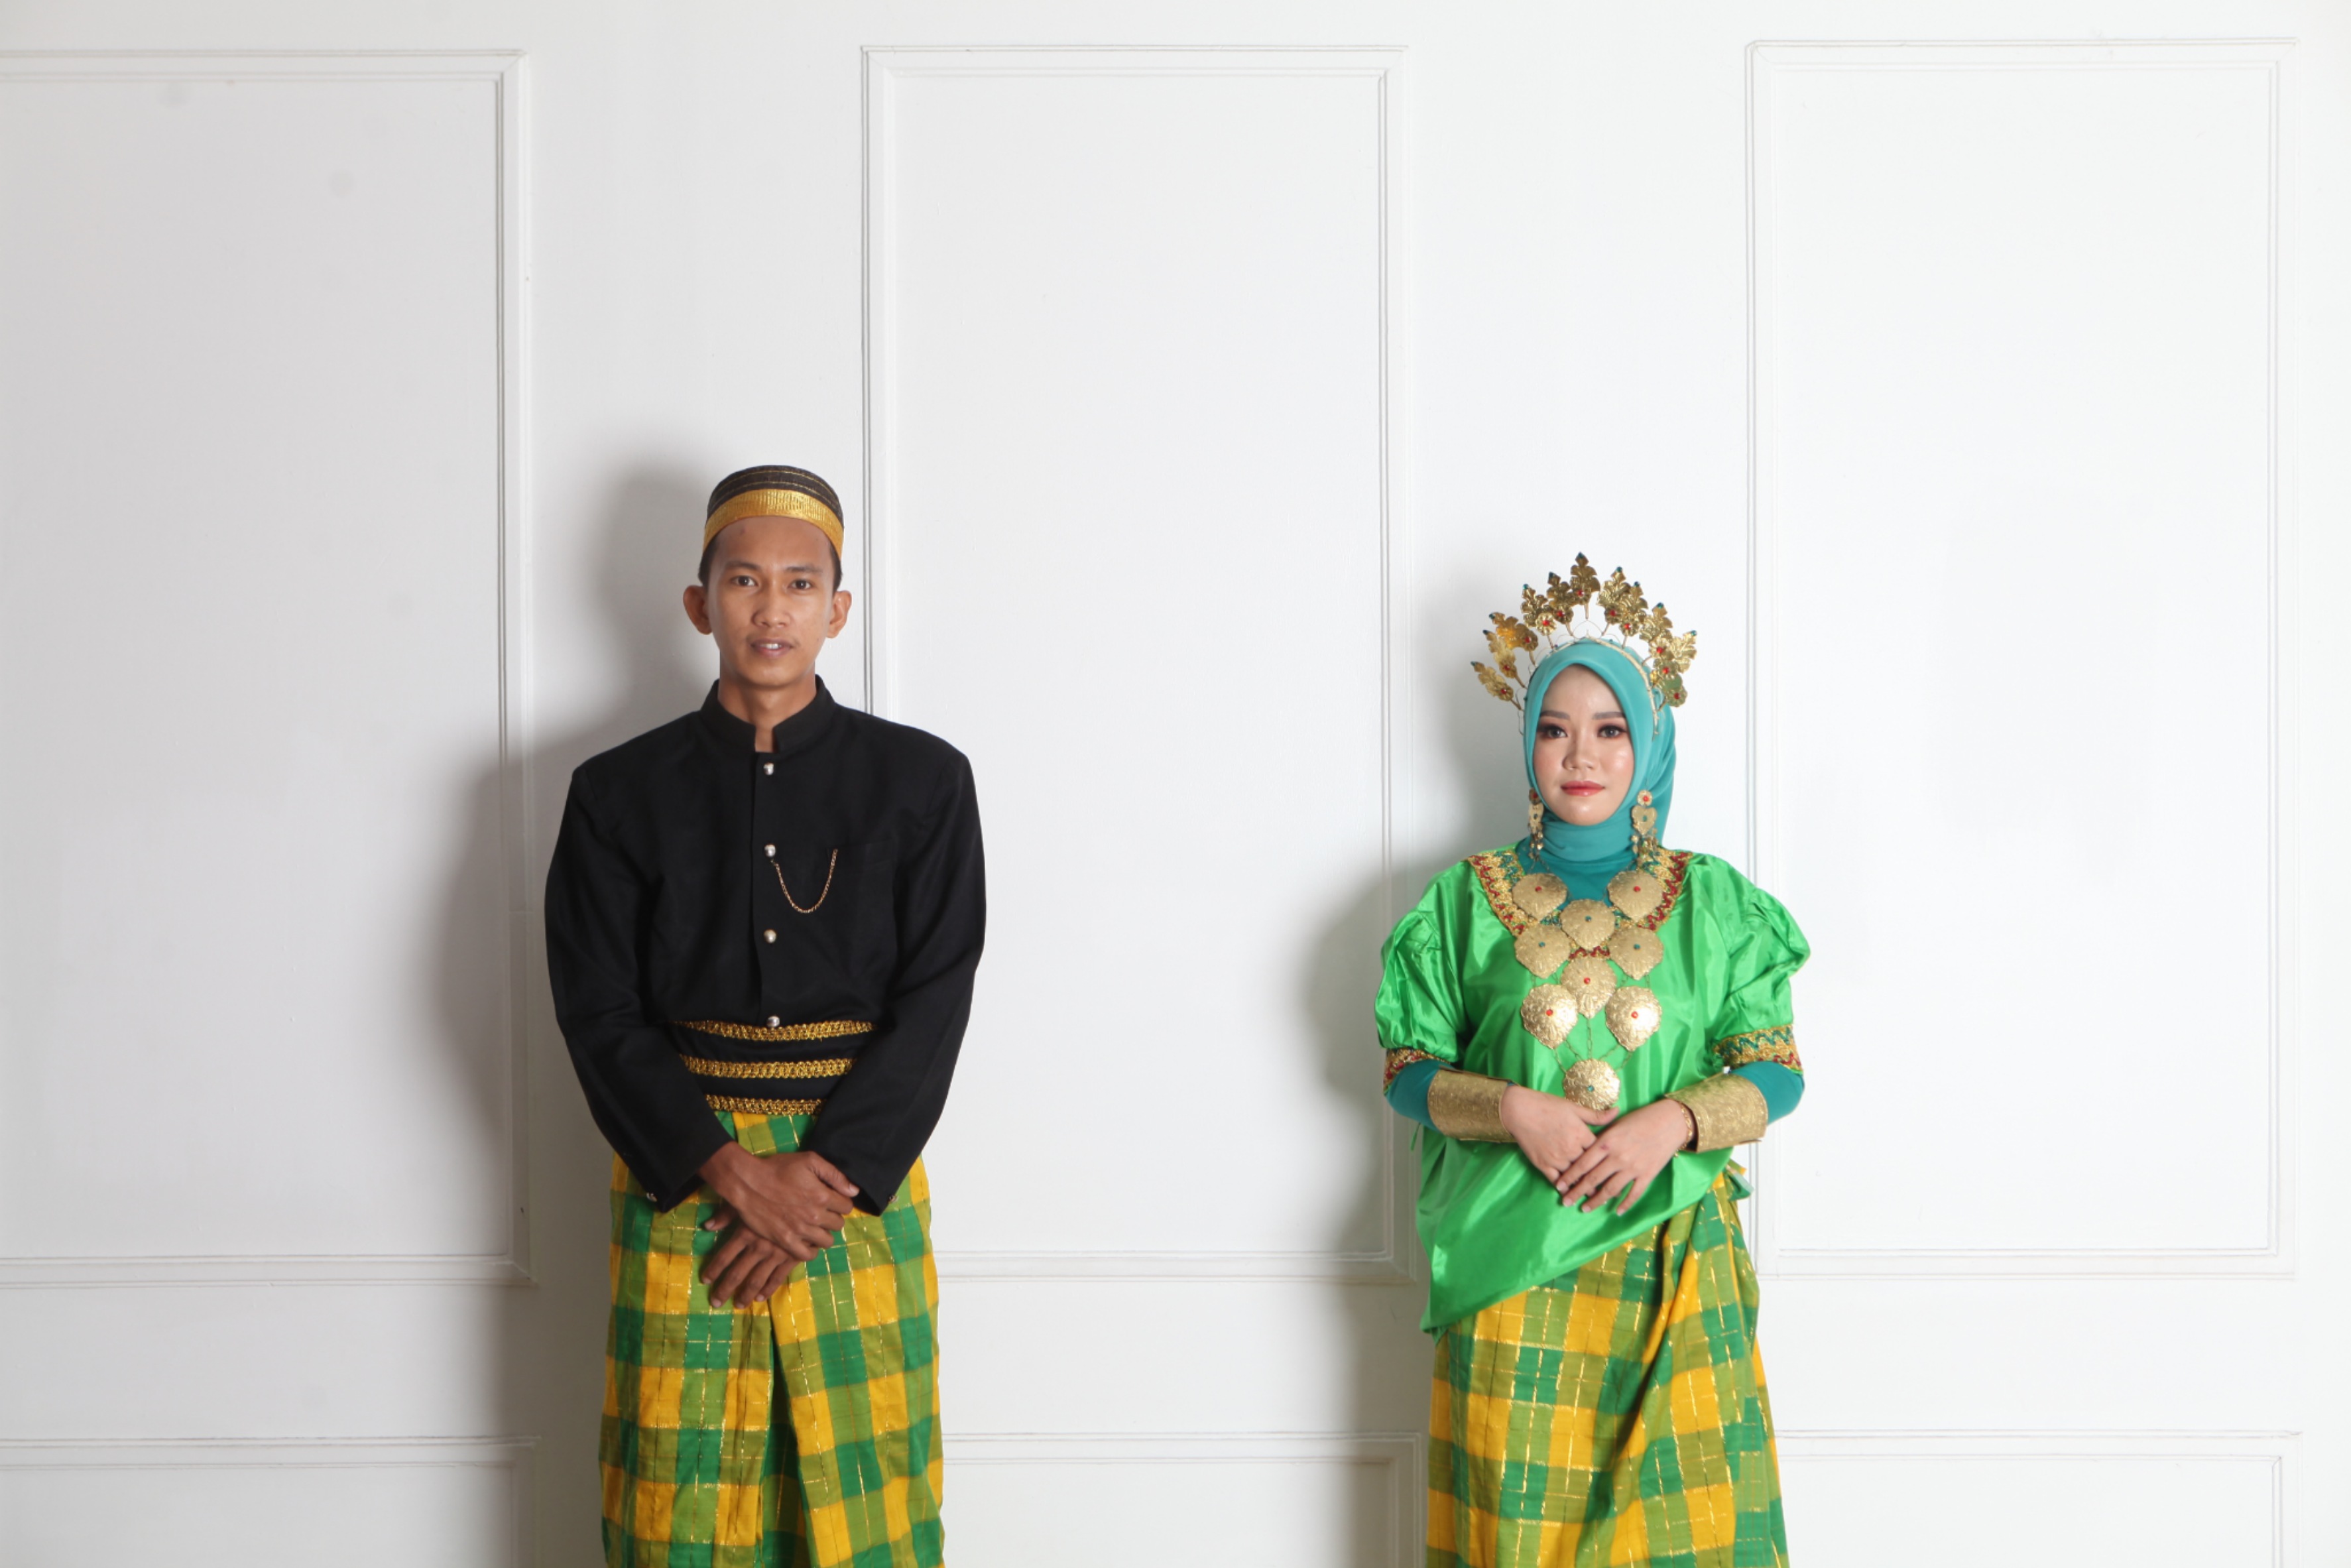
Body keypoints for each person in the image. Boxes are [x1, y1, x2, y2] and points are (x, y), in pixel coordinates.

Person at [544, 464, 984, 1568]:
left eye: (800, 582)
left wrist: (822, 1180)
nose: (771, 607)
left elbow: (937, 995)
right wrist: (731, 1172)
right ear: (700, 604)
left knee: (866, 1501)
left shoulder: (924, 782)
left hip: (857, 1187)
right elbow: (597, 1010)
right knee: (678, 1500)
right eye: (744, 580)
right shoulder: (616, 792)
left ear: (838, 608)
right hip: (686, 1181)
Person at [1378, 559, 1805, 1567]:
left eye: (1610, 729)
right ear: (1527, 743)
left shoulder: (1716, 903)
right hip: (1509, 1270)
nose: (1581, 755)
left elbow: (1777, 1069)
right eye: (1555, 729)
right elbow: (1406, 1068)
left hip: (1673, 1262)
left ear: (1648, 743)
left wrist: (1672, 1122)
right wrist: (1515, 1109)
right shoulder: (1462, 902)